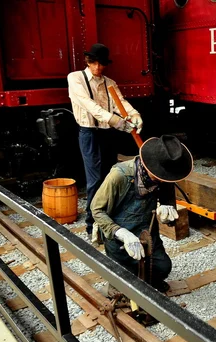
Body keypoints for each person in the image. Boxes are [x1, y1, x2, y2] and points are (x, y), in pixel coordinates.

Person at [91, 135, 193, 294]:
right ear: (149, 166)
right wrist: (121, 233)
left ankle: (142, 281)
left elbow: (168, 207)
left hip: (148, 233)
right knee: (126, 283)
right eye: (159, 176)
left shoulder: (165, 178)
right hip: (120, 236)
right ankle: (120, 282)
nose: (162, 180)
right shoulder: (120, 176)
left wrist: (167, 216)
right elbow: (96, 209)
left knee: (163, 268)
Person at [67, 43, 144, 240]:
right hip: (89, 133)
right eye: (94, 63)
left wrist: (135, 115)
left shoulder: (109, 82)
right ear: (88, 61)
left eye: (101, 64)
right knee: (94, 180)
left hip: (107, 134)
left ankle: (110, 218)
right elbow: (89, 105)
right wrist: (116, 121)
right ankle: (92, 224)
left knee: (111, 176)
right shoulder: (76, 78)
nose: (97, 68)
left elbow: (121, 102)